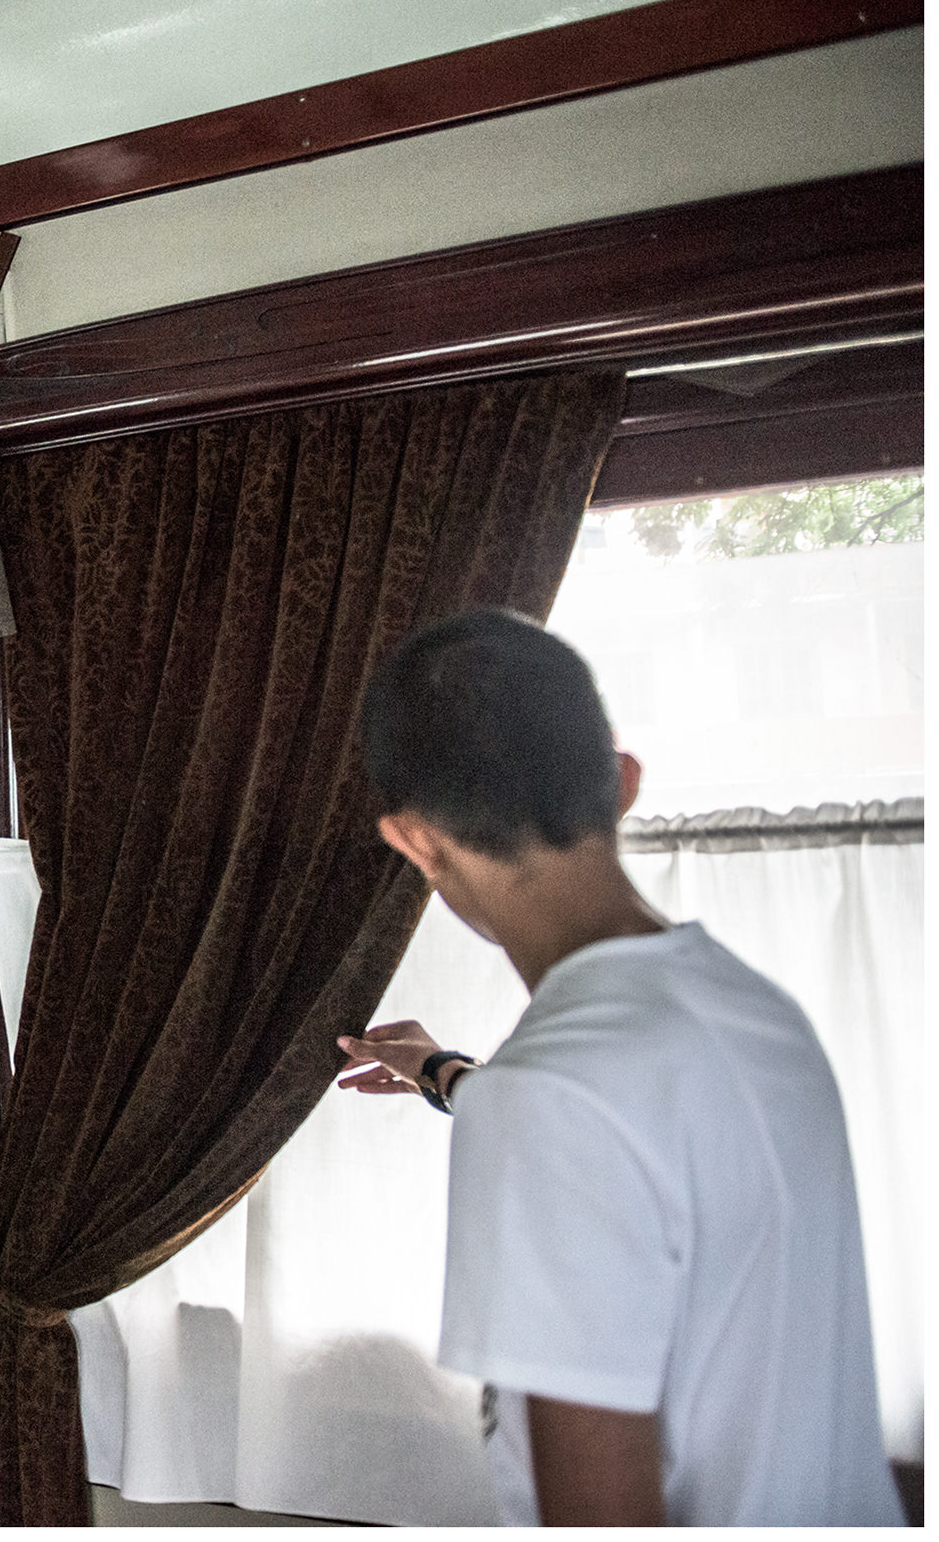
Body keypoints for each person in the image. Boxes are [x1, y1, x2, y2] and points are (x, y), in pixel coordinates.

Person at [334, 608, 899, 1527]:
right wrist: (439, 1071)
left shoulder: (548, 1103)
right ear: (623, 783)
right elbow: (635, 1148)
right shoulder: (755, 1012)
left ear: (414, 843)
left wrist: (493, 1095)